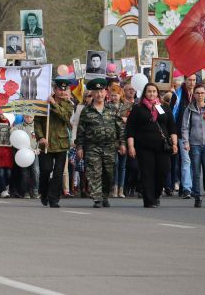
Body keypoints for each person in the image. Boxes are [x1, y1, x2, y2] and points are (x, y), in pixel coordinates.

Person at [125, 82, 178, 208]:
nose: (152, 94)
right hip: (144, 147)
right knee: (147, 173)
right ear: (145, 93)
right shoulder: (138, 108)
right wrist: (131, 146)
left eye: (154, 91)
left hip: (162, 147)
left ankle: (156, 194)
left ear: (157, 93)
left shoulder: (164, 108)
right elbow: (130, 129)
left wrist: (175, 143)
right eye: (149, 91)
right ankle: (149, 200)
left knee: (163, 170)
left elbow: (172, 127)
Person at [75, 78, 125, 208]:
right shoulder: (86, 111)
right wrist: (79, 147)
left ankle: (104, 195)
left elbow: (120, 127)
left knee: (108, 173)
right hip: (92, 147)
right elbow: (81, 130)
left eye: (102, 91)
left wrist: (123, 143)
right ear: (92, 93)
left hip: (109, 147)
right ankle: (97, 198)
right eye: (96, 92)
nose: (99, 94)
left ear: (106, 92)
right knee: (93, 172)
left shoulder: (112, 109)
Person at [35, 77, 74, 208]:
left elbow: (65, 117)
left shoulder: (68, 104)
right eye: (60, 90)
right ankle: (44, 192)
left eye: (65, 90)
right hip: (46, 142)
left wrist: (54, 104)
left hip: (61, 143)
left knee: (58, 173)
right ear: (54, 89)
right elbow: (37, 122)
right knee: (46, 170)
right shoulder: (43, 103)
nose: (62, 93)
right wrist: (40, 137)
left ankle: (54, 198)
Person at [181, 84, 205, 208]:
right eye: (197, 93)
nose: (200, 95)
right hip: (195, 144)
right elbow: (185, 127)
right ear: (194, 94)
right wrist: (186, 142)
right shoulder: (189, 109)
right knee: (196, 172)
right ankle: (197, 197)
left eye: (202, 93)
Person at [169, 74, 198, 199]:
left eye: (194, 80)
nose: (192, 83)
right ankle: (187, 188)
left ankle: (189, 186)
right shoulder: (177, 95)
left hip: (197, 134)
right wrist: (173, 133)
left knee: (194, 161)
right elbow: (172, 114)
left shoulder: (199, 95)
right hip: (182, 133)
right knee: (186, 160)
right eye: (189, 80)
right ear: (185, 81)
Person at [11, 107, 39, 199]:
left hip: (34, 153)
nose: (29, 119)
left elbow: (41, 139)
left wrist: (39, 149)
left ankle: (35, 191)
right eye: (26, 117)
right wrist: (11, 129)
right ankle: (26, 192)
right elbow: (12, 132)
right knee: (24, 173)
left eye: (30, 117)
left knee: (35, 172)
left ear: (34, 117)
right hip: (23, 155)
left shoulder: (37, 127)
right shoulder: (19, 126)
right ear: (23, 117)